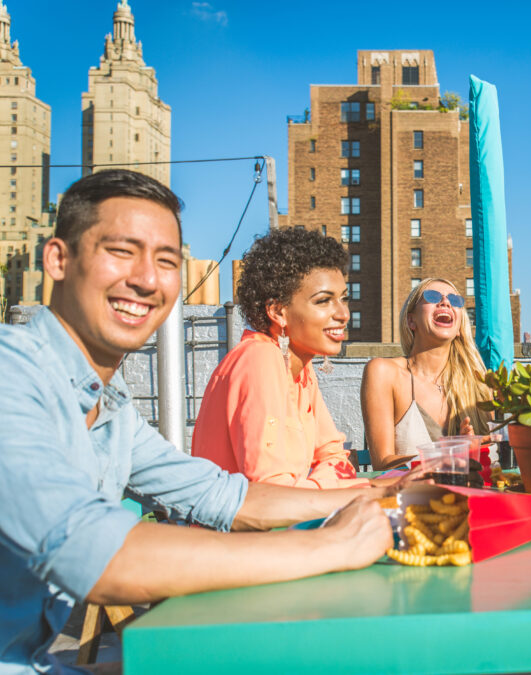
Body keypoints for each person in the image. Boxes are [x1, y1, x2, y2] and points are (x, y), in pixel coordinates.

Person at [0, 170, 394, 673]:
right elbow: (96, 556)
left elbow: (226, 495)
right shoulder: (11, 370)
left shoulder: (112, 406)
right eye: (122, 251)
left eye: (166, 260)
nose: (147, 278)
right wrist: (333, 543)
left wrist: (377, 495)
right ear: (58, 260)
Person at [193, 227, 374, 488]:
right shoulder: (260, 359)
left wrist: (330, 485)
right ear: (278, 312)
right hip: (241, 527)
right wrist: (333, 488)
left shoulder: (300, 369)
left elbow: (336, 458)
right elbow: (270, 489)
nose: (343, 313)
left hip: (284, 520)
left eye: (343, 299)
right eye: (323, 301)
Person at [361, 278, 489, 470]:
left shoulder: (478, 382)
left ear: (460, 329)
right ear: (411, 320)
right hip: (409, 498)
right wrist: (453, 454)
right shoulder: (383, 372)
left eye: (455, 300)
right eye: (432, 296)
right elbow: (382, 462)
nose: (445, 302)